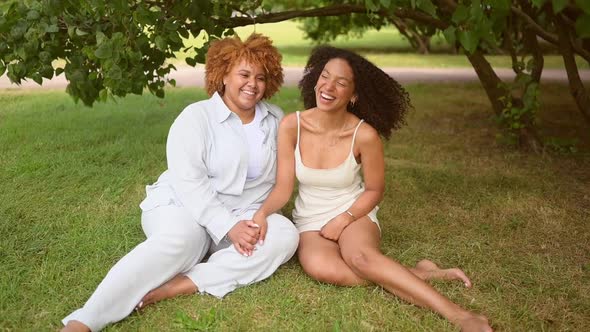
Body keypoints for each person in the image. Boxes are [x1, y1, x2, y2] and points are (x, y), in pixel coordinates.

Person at [61, 33, 299, 332]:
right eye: (244, 74)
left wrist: (255, 219)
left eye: (261, 77)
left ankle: (183, 283)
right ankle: (85, 320)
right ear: (223, 75)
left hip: (246, 212)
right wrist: (228, 227)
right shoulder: (195, 118)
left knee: (284, 235)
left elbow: (284, 176)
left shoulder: (276, 119)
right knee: (183, 243)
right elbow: (190, 184)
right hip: (184, 206)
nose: (253, 83)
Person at [251, 46, 493, 332]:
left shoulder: (364, 135)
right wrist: (262, 213)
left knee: (361, 258)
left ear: (353, 94)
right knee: (322, 269)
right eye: (325, 77)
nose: (328, 87)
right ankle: (420, 274)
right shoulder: (292, 125)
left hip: (353, 211)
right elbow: (283, 186)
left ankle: (462, 316)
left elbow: (374, 190)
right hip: (311, 219)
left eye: (341, 83)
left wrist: (345, 218)